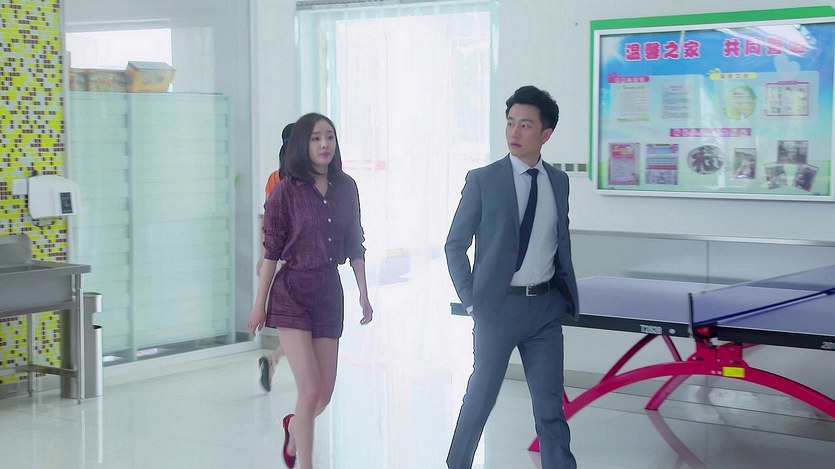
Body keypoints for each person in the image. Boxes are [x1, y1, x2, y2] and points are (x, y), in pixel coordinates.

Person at [444, 85, 580, 469]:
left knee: (551, 408)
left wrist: (562, 297)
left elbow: (559, 240)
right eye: (510, 123)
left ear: (546, 133)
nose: (514, 132)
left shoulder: (559, 182)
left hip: (545, 309)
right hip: (497, 309)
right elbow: (455, 244)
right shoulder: (484, 180)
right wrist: (473, 301)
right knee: (479, 401)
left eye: (525, 124)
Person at [247, 112, 373, 469]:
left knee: (324, 395)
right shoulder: (285, 191)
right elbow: (271, 251)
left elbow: (355, 242)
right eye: (316, 138)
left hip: (329, 292)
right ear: (303, 144)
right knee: (310, 389)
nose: (324, 144)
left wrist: (364, 294)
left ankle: (293, 429)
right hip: (292, 292)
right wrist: (259, 304)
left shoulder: (347, 188)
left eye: (329, 137)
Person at [253, 122, 294, 392]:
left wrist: (264, 255)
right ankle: (275, 358)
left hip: (281, 256)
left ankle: (275, 359)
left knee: (300, 325)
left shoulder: (274, 178)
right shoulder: (310, 177)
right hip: (304, 259)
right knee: (306, 326)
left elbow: (267, 222)